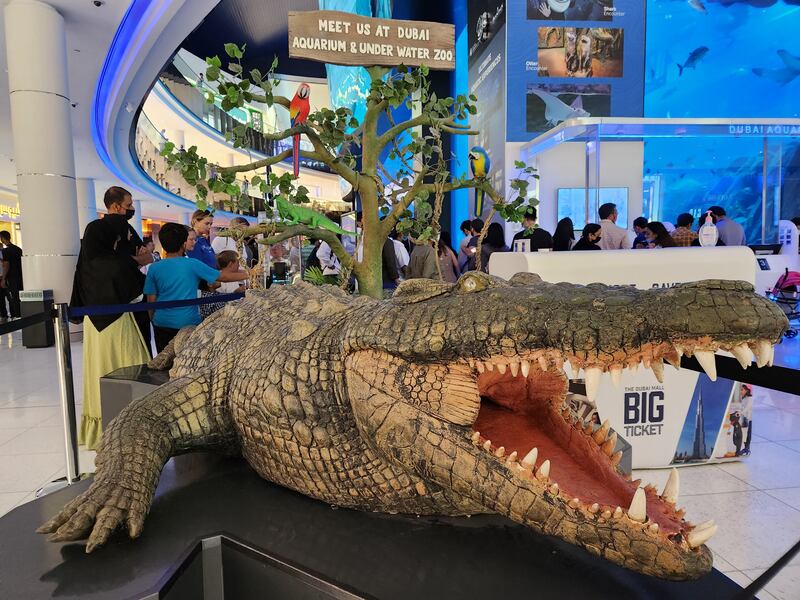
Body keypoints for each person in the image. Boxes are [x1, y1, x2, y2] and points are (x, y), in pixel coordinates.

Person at [70, 214, 151, 450]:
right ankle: (131, 426)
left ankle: (99, 428)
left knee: (98, 370)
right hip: (118, 324)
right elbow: (137, 295)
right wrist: (138, 263)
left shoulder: (85, 263)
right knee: (131, 365)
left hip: (94, 327)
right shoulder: (117, 263)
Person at [144, 223, 249, 353]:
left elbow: (151, 300)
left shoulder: (154, 268)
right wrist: (250, 273)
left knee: (163, 364)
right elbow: (223, 276)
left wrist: (154, 320)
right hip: (188, 324)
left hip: (161, 323)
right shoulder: (192, 264)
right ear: (183, 244)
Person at [102, 186, 154, 355]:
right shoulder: (101, 230)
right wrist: (135, 260)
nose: (131, 209)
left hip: (135, 292)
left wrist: (137, 260)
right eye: (129, 205)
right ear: (117, 206)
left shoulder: (128, 229)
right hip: (117, 299)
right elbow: (115, 263)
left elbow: (145, 256)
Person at [0, 231, 23, 318]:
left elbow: (6, 265)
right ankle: (21, 314)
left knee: (14, 298)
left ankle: (17, 315)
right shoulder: (18, 249)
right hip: (20, 277)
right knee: (20, 297)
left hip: (12, 278)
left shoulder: (6, 251)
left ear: (2, 238)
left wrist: (3, 279)